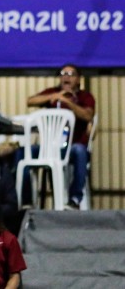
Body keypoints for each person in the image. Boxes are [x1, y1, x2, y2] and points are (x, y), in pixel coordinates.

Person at [27, 64, 95, 209]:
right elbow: (30, 101)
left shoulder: (85, 96)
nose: (66, 76)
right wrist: (55, 96)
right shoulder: (54, 92)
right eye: (63, 73)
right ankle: (26, 201)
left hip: (72, 148)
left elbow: (88, 115)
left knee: (80, 151)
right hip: (49, 147)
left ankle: (74, 199)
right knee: (24, 152)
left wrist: (68, 102)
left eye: (71, 74)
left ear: (78, 79)